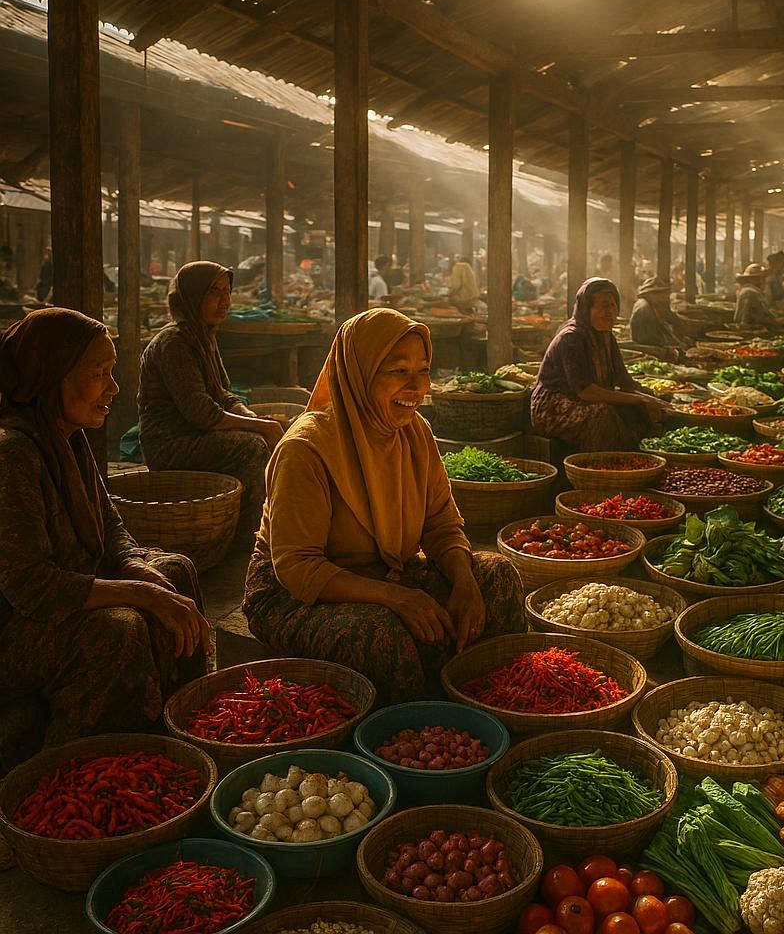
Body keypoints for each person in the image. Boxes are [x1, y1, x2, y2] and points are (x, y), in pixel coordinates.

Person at [243, 309, 525, 703]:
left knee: (497, 577)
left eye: (423, 370)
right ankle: (417, 729)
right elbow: (298, 567)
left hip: (388, 570)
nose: (417, 387)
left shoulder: (415, 432)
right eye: (398, 371)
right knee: (379, 632)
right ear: (360, 375)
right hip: (290, 595)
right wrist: (396, 597)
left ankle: (490, 704)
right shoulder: (305, 449)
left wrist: (464, 581)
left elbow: (442, 524)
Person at [0, 308, 209, 748]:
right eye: (100, 374)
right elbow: (31, 586)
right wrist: (141, 594)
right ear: (52, 378)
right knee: (119, 627)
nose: (113, 387)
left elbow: (111, 528)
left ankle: (185, 727)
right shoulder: (13, 453)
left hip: (67, 587)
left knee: (175, 572)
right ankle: (95, 758)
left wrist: (139, 570)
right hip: (17, 622)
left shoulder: (67, 436)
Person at [138, 261, 284, 535]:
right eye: (214, 292)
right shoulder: (174, 343)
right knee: (252, 446)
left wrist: (254, 418)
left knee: (267, 434)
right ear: (193, 296)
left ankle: (259, 522)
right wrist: (260, 427)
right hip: (170, 443)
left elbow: (223, 395)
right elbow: (202, 413)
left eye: (227, 291)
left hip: (195, 433)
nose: (224, 301)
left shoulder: (203, 335)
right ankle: (249, 534)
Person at [530, 277, 670, 452]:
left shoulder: (606, 336)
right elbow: (586, 391)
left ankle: (645, 456)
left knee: (640, 409)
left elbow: (625, 382)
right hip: (554, 407)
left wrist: (652, 399)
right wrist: (639, 399)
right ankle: (602, 463)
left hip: (589, 399)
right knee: (603, 415)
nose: (610, 312)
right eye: (603, 306)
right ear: (586, 308)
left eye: (612, 305)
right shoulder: (571, 338)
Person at [629, 277, 686, 349]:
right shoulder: (644, 308)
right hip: (646, 347)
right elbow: (650, 339)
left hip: (651, 344)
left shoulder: (653, 305)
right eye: (658, 293)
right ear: (650, 294)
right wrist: (672, 346)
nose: (662, 296)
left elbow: (668, 319)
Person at [734, 264, 775, 328]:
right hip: (751, 329)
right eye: (760, 278)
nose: (763, 281)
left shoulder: (748, 291)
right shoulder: (751, 293)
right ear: (751, 279)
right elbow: (763, 316)